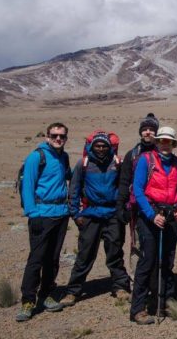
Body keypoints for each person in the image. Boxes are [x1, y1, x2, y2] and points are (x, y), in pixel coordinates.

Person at [61, 132, 130, 308]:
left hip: (113, 214)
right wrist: (76, 214)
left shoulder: (117, 164)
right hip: (91, 214)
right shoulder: (83, 164)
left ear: (109, 147)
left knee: (115, 252)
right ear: (91, 147)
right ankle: (73, 291)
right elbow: (74, 190)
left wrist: (124, 211)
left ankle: (120, 286)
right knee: (85, 254)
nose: (101, 149)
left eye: (104, 146)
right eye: (97, 146)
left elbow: (124, 188)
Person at [129, 126, 177, 325]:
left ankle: (165, 302)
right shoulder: (146, 160)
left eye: (168, 141)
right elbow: (137, 189)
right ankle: (138, 308)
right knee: (148, 261)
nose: (164, 144)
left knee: (168, 262)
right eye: (161, 140)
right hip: (150, 215)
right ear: (157, 142)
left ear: (172, 144)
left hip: (170, 215)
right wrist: (152, 215)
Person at [16, 122, 71, 322]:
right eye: (54, 135)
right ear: (47, 136)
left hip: (61, 213)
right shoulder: (36, 157)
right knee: (36, 258)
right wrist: (32, 213)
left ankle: (46, 294)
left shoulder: (63, 157)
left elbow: (68, 178)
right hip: (41, 214)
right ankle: (28, 301)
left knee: (53, 258)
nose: (58, 139)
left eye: (62, 136)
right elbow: (28, 186)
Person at [116, 113, 159, 226]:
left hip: (159, 206)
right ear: (141, 132)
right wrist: (120, 205)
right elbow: (124, 181)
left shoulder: (163, 154)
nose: (148, 132)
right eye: (144, 129)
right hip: (137, 207)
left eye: (151, 129)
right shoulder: (132, 155)